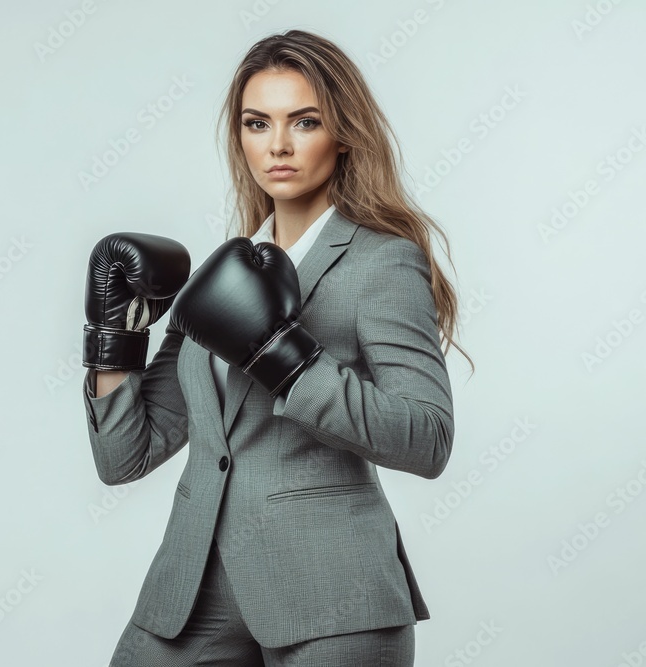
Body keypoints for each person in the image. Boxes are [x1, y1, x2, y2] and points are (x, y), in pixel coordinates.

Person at [80, 29, 473, 667]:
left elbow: (429, 438)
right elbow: (124, 456)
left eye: (305, 121)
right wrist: (112, 338)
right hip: (191, 588)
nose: (279, 145)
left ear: (343, 133)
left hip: (334, 598)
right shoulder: (223, 275)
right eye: (258, 123)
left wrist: (285, 359)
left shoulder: (382, 261)